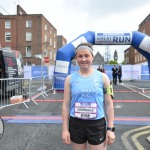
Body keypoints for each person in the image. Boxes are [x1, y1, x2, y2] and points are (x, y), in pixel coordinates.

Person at [62, 43, 115, 150]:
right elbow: (66, 105)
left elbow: (109, 104)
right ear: (76, 58)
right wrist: (64, 129)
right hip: (76, 124)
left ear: (92, 57)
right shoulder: (69, 79)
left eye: (87, 55)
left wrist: (110, 129)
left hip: (97, 124)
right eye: (80, 56)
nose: (83, 59)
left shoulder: (104, 78)